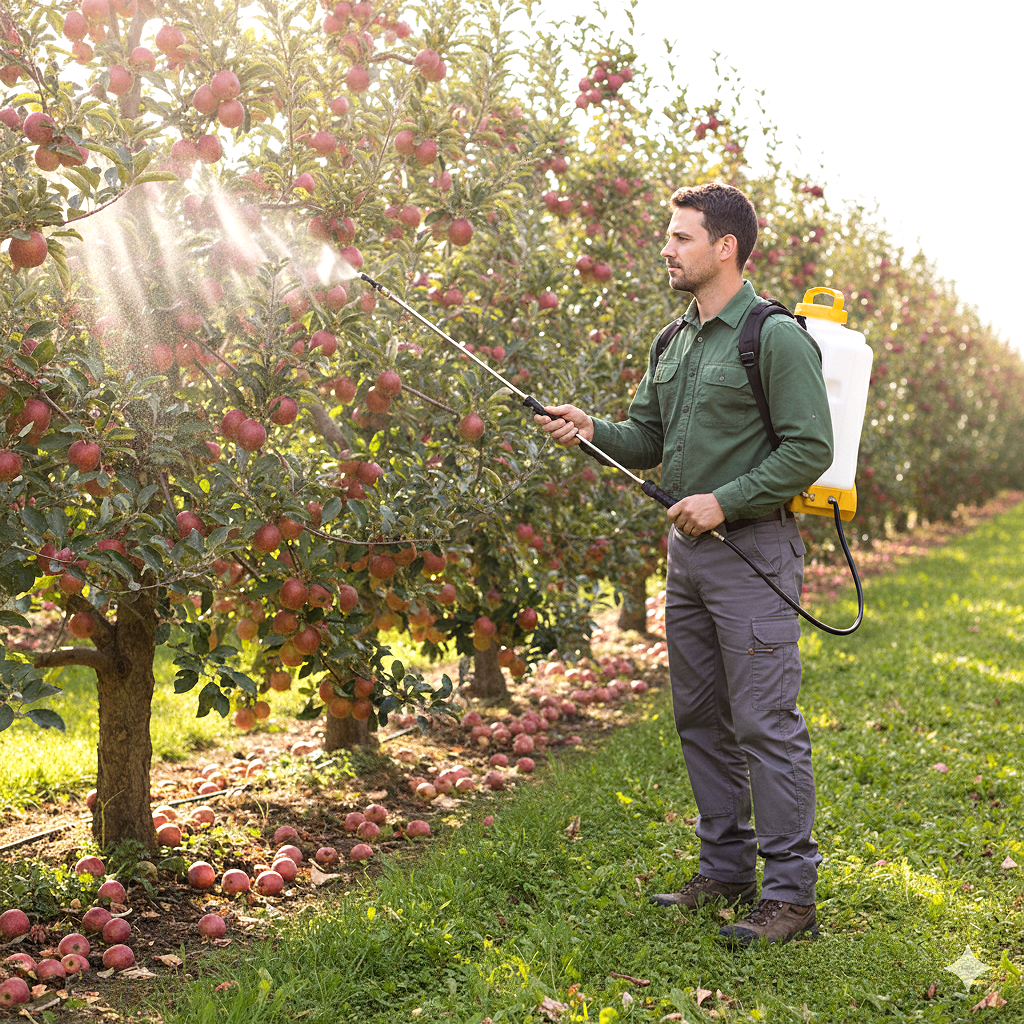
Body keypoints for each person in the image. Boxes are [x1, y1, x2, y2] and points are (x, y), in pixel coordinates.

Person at [534, 182, 834, 947]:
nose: (666, 250)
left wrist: (723, 501)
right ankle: (726, 871)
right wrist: (590, 426)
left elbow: (810, 449)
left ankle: (790, 894)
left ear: (724, 247)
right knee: (701, 716)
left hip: (752, 551)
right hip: (689, 559)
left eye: (680, 237)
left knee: (764, 720)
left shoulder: (774, 337)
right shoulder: (673, 341)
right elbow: (644, 436)